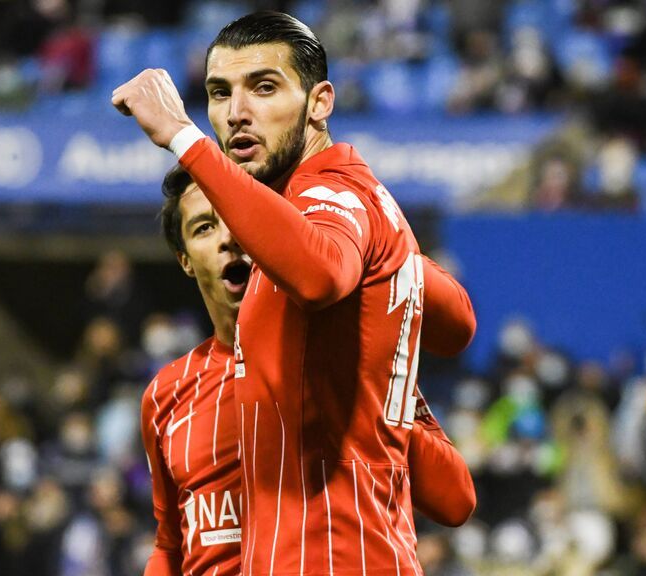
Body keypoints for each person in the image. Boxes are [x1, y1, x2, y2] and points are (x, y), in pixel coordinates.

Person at [114, 11, 477, 573]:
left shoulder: (333, 195)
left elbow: (322, 272)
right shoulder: (173, 391)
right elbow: (455, 324)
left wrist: (183, 137)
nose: (236, 113)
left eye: (264, 87)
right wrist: (394, 282)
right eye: (218, 94)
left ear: (320, 102)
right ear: (184, 260)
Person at [142, 168, 476, 575]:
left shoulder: (349, 361)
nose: (229, 239)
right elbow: (169, 546)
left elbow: (455, 500)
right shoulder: (167, 394)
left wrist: (364, 409)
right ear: (186, 261)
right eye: (204, 228)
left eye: (237, 218)